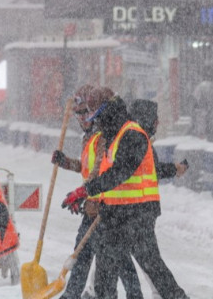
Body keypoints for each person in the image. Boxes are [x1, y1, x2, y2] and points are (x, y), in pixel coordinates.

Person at [62, 95, 190, 299]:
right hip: (116, 213)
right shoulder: (113, 137)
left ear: (110, 116)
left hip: (137, 214)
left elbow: (120, 173)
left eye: (100, 119)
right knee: (106, 268)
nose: (98, 125)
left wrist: (86, 191)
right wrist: (88, 198)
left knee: (152, 268)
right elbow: (107, 179)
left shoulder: (132, 136)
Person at [51, 85, 141, 299]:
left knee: (116, 257)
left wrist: (83, 194)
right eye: (79, 113)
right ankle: (74, 294)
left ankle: (127, 295)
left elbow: (100, 172)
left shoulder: (102, 136)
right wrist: (66, 163)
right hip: (92, 203)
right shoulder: (89, 137)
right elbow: (87, 169)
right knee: (87, 254)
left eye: (86, 112)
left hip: (104, 205)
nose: (82, 117)